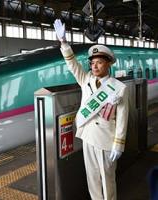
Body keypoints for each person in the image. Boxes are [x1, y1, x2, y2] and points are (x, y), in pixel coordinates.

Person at [54, 19, 129, 200]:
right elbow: (72, 65)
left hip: (106, 140)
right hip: (87, 136)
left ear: (108, 64)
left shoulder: (118, 87)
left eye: (99, 63)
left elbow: (122, 119)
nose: (94, 66)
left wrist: (118, 144)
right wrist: (64, 43)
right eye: (92, 63)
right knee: (92, 178)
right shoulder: (85, 79)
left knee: (107, 178)